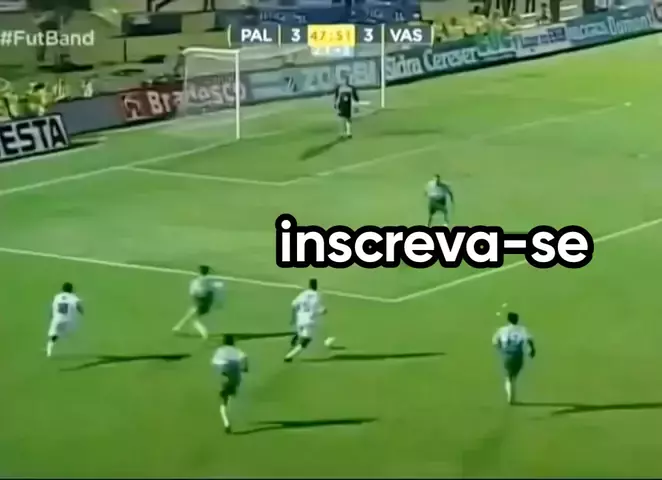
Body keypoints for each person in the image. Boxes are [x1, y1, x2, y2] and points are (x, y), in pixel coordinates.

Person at [492, 312, 536, 405]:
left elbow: (495, 342)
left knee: (508, 377)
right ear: (517, 320)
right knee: (513, 377)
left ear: (508, 320)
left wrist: (501, 350)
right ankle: (512, 398)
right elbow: (529, 340)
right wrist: (532, 350)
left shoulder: (502, 330)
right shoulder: (522, 329)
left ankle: (510, 398)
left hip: (507, 356)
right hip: (518, 356)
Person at [172, 265, 223, 339]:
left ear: (199, 272)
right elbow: (216, 289)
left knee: (193, 319)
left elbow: (193, 293)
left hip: (200, 302)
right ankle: (177, 327)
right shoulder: (210, 281)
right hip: (207, 303)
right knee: (190, 314)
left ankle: (204, 333)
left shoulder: (196, 281)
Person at [211, 334, 248, 433]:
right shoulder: (236, 350)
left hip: (224, 378)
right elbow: (244, 357)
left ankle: (226, 423)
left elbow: (214, 362)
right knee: (231, 395)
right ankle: (233, 412)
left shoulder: (220, 351)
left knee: (223, 402)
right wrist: (245, 368)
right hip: (235, 378)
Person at [284, 278, 327, 362]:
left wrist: (293, 319)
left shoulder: (303, 294)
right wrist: (323, 311)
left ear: (309, 285)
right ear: (316, 286)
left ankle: (297, 335)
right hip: (309, 321)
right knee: (306, 340)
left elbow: (293, 305)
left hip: (300, 320)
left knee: (304, 334)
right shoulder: (317, 295)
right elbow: (318, 309)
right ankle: (289, 356)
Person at [46, 282, 83, 358]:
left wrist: (51, 316)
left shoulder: (57, 296)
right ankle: (65, 336)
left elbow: (52, 307)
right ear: (71, 289)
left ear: (62, 289)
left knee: (54, 335)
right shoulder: (73, 297)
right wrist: (81, 312)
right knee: (67, 332)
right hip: (68, 320)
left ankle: (49, 350)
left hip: (57, 319)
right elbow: (78, 306)